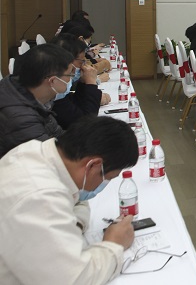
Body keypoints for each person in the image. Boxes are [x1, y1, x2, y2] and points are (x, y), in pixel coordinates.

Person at [0, 116, 138, 284]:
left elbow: (78, 200)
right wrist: (114, 244)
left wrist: (72, 224)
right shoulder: (40, 197)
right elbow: (74, 279)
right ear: (92, 165)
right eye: (108, 178)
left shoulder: (36, 152)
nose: (104, 184)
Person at [0, 44, 74, 158]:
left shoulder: (28, 93)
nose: (71, 78)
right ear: (53, 81)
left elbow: (58, 135)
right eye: (69, 75)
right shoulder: (21, 119)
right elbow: (49, 158)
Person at [49, 34, 111, 129]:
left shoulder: (61, 91)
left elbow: (77, 107)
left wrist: (85, 83)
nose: (84, 66)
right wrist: (91, 83)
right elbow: (86, 124)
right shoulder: (53, 95)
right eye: (82, 61)